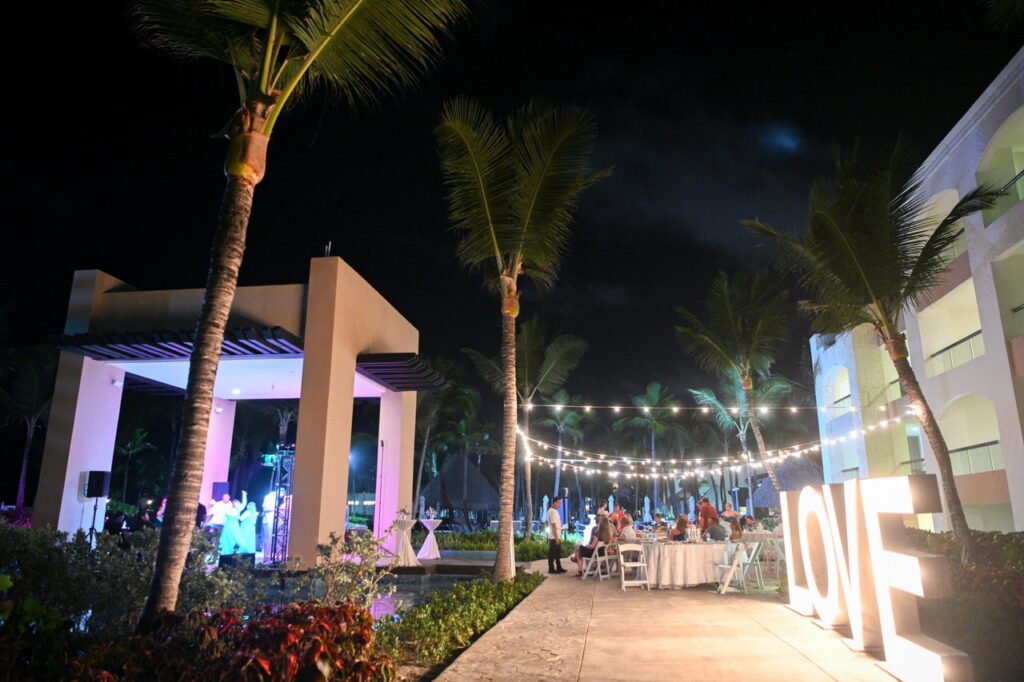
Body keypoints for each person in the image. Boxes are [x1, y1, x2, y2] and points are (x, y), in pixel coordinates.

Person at [547, 497, 566, 574]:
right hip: (554, 536)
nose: (560, 504)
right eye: (559, 503)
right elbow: (553, 525)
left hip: (556, 535)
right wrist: (556, 537)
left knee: (557, 553)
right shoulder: (552, 511)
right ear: (554, 502)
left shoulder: (554, 511)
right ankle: (551, 568)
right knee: (552, 553)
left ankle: (559, 567)